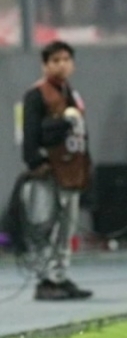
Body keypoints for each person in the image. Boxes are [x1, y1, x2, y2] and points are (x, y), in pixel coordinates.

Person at [20, 40, 93, 301]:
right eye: (55, 60)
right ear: (45, 64)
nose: (61, 65)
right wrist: (35, 162)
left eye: (65, 59)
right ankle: (46, 278)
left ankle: (60, 275)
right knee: (47, 226)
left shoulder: (71, 93)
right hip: (49, 170)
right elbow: (31, 134)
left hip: (71, 169)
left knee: (66, 228)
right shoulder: (37, 94)